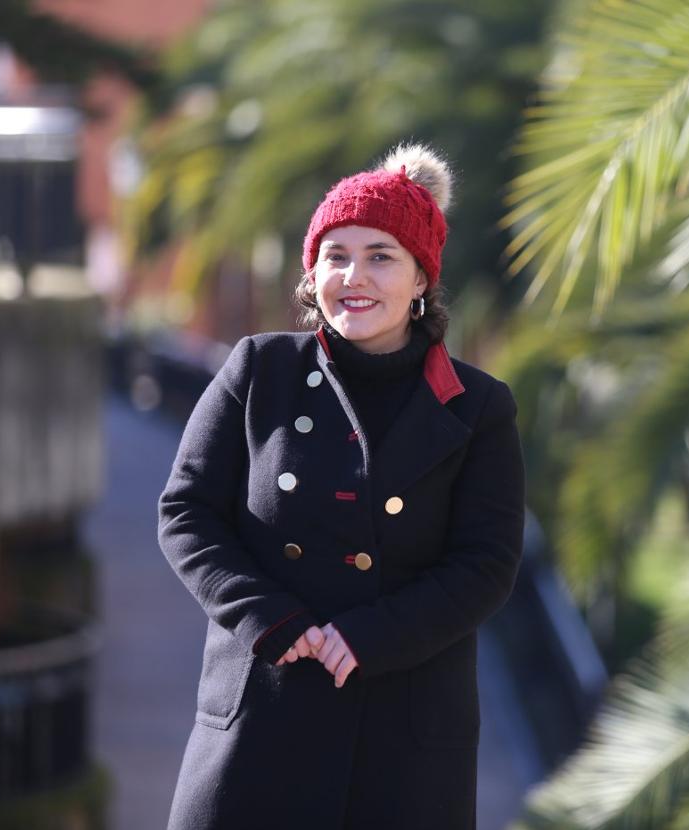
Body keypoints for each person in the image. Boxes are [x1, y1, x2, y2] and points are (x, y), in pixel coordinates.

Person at [157, 143, 526, 829]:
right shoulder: (257, 370)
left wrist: (368, 637)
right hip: (262, 714)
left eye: (381, 256)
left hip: (404, 735)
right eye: (337, 255)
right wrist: (270, 618)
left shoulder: (477, 407)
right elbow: (186, 513)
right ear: (312, 271)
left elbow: (487, 564)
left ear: (421, 279)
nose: (354, 276)